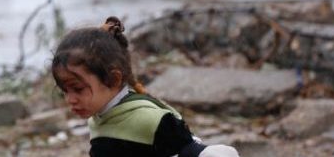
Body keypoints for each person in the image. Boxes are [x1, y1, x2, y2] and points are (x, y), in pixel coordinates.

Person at [52, 17, 240, 157]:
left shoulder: (151, 120)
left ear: (113, 79)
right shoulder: (99, 119)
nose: (70, 99)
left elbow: (192, 152)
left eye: (77, 89)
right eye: (64, 91)